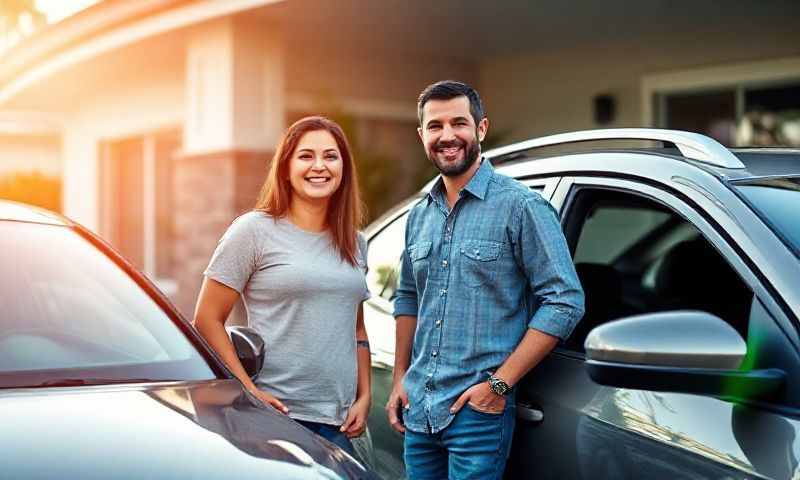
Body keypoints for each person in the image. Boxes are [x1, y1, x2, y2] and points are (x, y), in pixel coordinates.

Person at [387, 80, 585, 479]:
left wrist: (498, 387)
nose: (447, 136)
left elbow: (565, 301)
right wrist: (400, 378)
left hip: (476, 416)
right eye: (435, 126)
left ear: (480, 129)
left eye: (459, 123)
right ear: (422, 135)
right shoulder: (419, 215)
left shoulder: (521, 206)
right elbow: (408, 297)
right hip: (419, 411)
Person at [194, 116, 371, 455]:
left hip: (342, 423)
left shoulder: (355, 242)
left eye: (331, 156)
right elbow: (206, 320)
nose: (319, 166)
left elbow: (357, 329)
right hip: (278, 417)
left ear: (344, 169)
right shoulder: (253, 231)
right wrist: (248, 393)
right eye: (306, 156)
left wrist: (365, 397)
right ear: (286, 167)